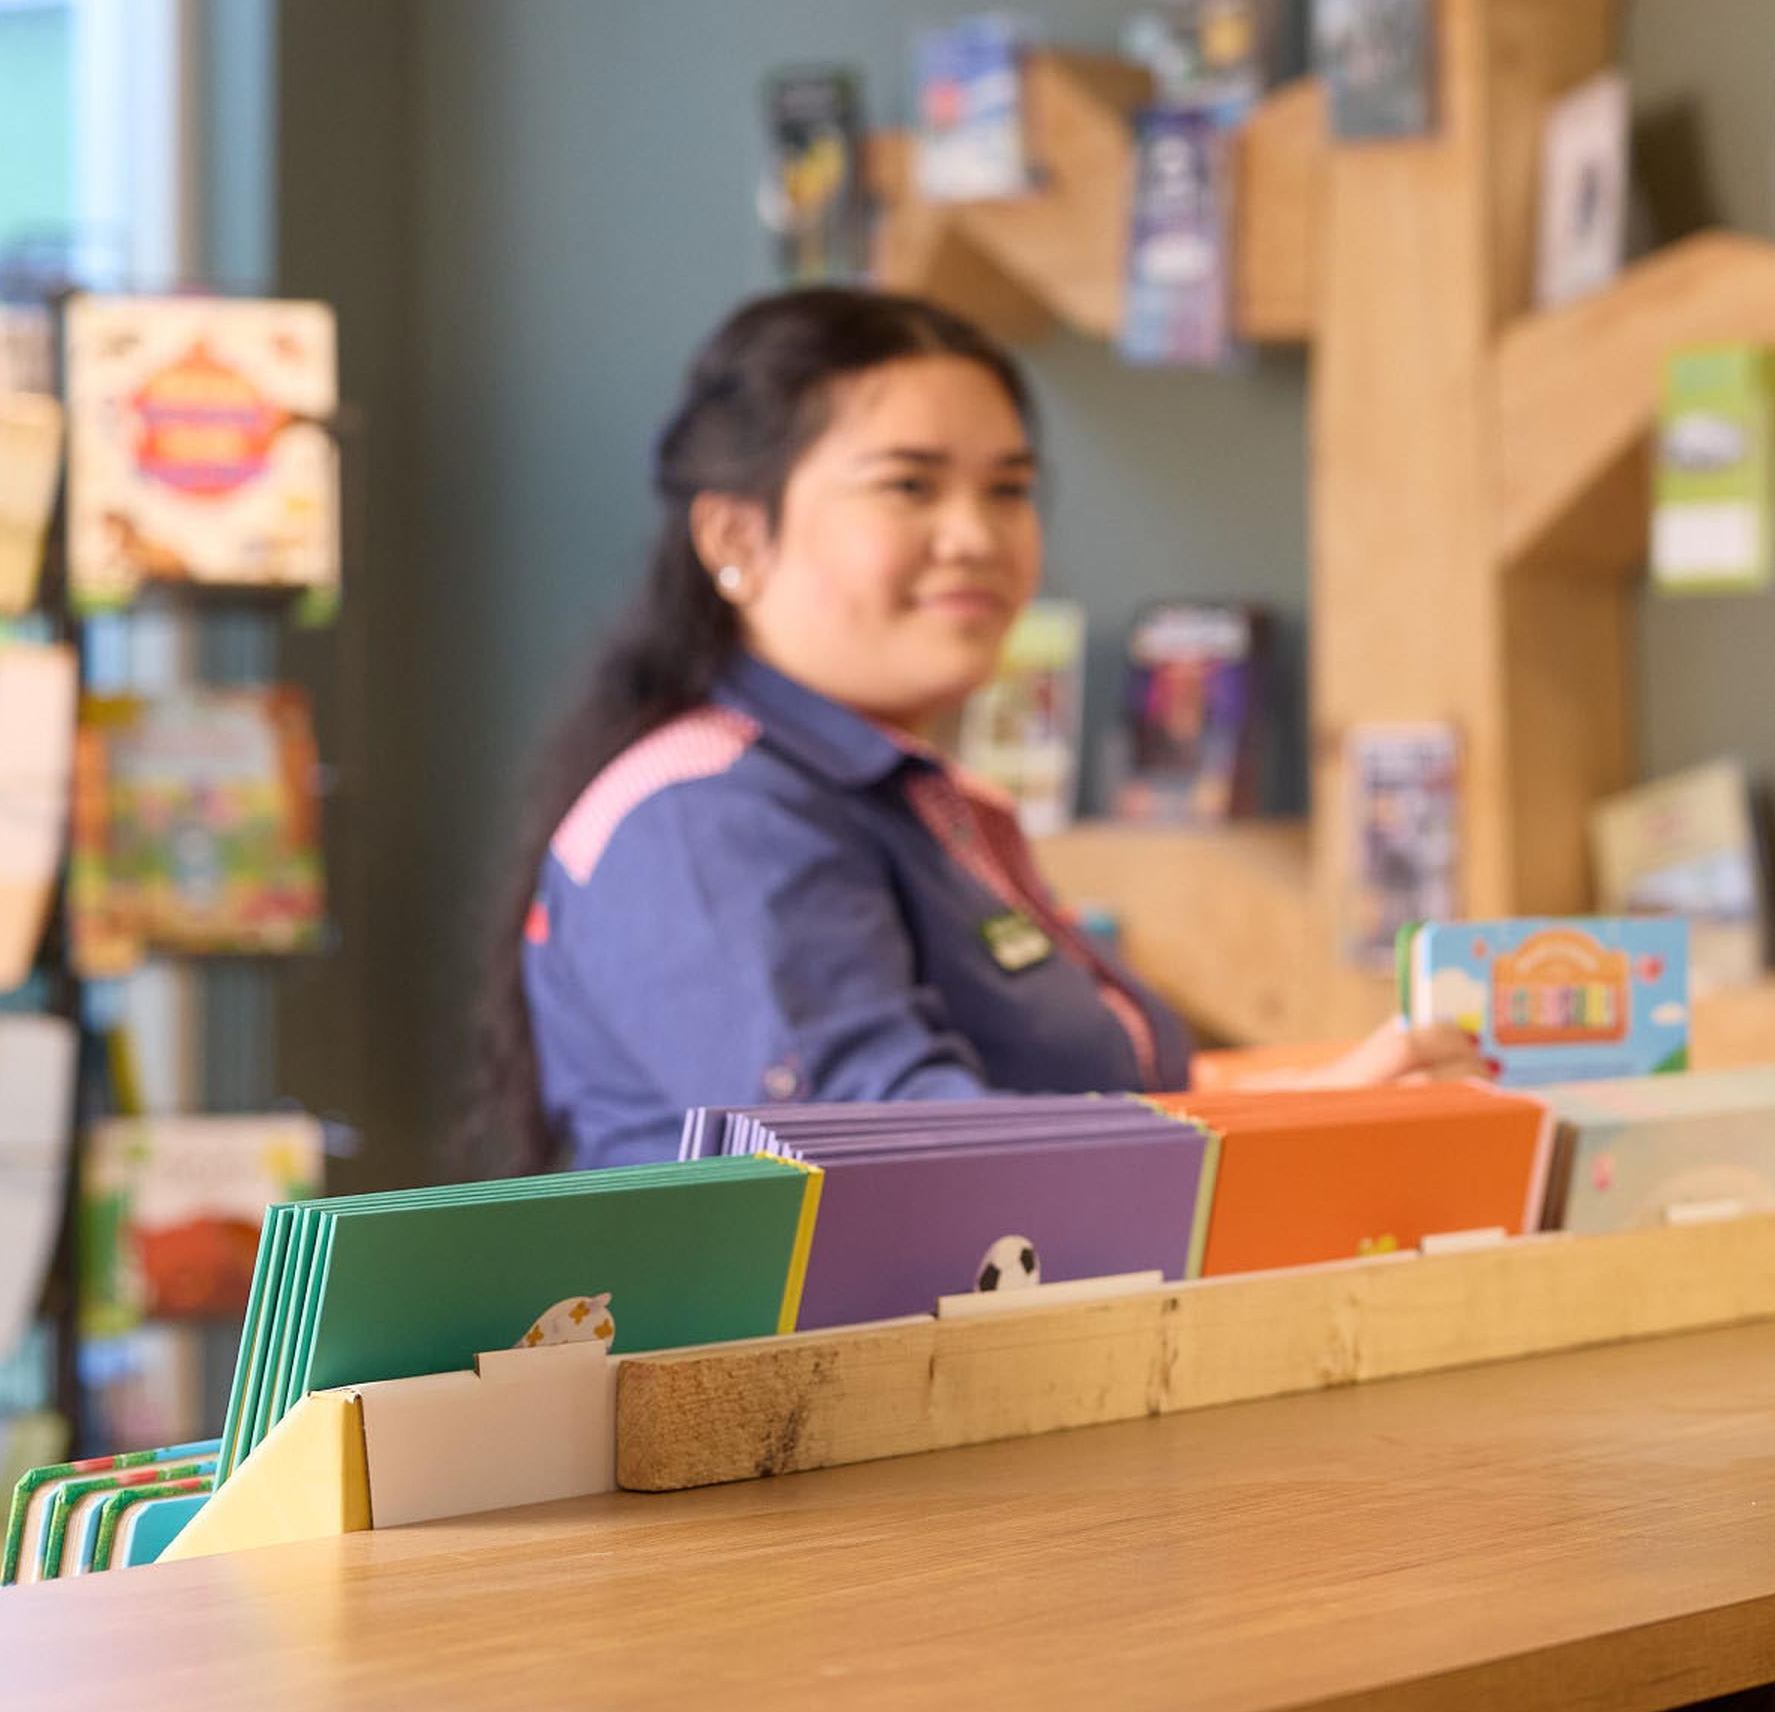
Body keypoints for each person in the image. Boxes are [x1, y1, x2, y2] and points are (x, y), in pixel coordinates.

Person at [470, 288, 1475, 1173]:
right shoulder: (704, 818)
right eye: (909, 485)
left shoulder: (919, 800)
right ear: (737, 535)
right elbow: (890, 1159)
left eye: (1009, 490)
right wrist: (1285, 1131)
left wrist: (1314, 1100)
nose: (976, 536)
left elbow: (1098, 1101)